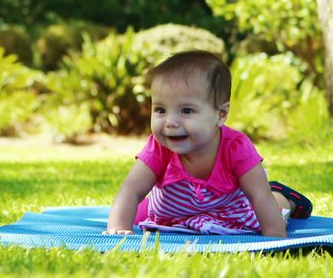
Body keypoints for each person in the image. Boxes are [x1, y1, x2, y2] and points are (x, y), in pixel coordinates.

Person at [104, 50, 312, 237]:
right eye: (160, 110)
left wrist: (274, 236)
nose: (170, 122)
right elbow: (131, 190)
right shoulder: (159, 147)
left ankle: (283, 196)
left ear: (220, 115)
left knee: (269, 211)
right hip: (172, 211)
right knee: (139, 211)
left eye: (186, 111)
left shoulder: (235, 147)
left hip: (230, 211)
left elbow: (258, 196)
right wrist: (119, 228)